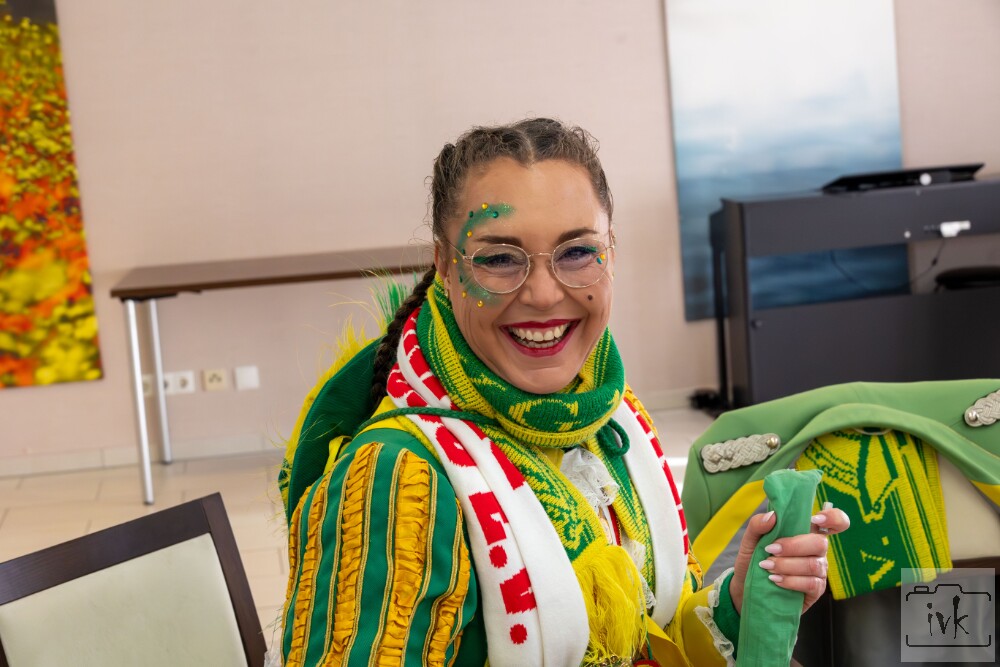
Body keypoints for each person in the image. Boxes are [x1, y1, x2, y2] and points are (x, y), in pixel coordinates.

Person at [277, 118, 849, 666]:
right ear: (445, 267)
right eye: (500, 259)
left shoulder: (612, 418)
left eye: (576, 252)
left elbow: (654, 636)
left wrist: (738, 602)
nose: (545, 295)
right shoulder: (400, 478)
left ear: (611, 252)